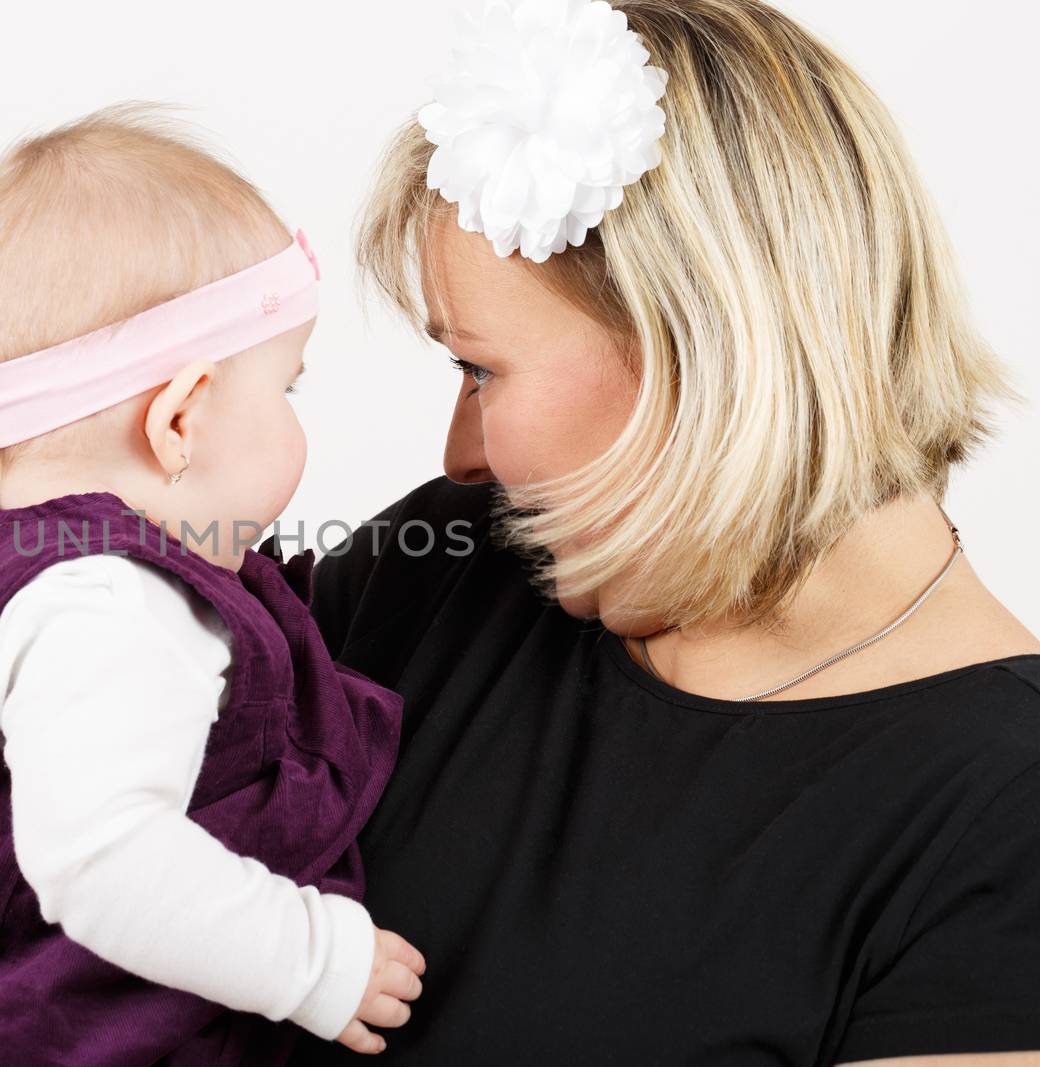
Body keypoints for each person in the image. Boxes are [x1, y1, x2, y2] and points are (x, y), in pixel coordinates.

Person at [286, 0, 1040, 1063]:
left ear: (700, 347)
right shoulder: (441, 567)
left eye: (477, 368)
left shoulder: (1003, 815)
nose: (460, 454)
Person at [0, 105, 425, 1065]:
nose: (297, 420)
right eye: (286, 388)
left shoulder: (47, 561)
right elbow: (104, 860)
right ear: (180, 421)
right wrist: (311, 960)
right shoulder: (112, 609)